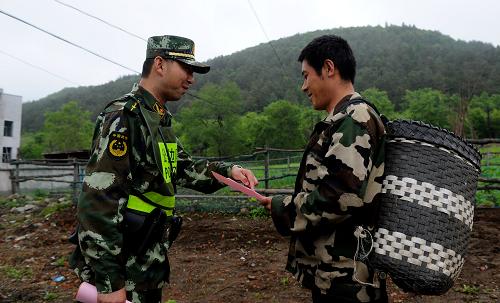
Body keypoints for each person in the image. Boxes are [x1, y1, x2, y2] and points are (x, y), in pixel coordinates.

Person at [69, 35, 258, 303]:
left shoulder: (156, 119)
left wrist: (229, 172)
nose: (191, 78)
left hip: (145, 265)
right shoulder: (126, 116)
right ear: (160, 64)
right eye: (186, 68)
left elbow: (183, 167)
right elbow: (98, 201)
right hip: (124, 271)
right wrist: (110, 282)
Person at [257, 35, 388, 302]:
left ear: (329, 68)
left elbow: (340, 197)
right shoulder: (343, 119)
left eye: (306, 76)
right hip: (337, 272)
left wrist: (284, 208)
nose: (304, 86)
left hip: (349, 278)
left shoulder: (354, 119)